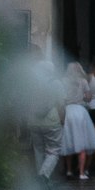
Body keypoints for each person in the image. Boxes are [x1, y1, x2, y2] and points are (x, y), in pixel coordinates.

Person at [26, 51, 65, 183]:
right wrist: (62, 119)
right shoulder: (56, 83)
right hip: (51, 121)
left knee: (38, 150)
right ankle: (43, 176)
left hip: (33, 120)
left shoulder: (32, 83)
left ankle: (40, 175)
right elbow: (61, 104)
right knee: (53, 150)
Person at [60, 61, 95, 180]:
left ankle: (68, 170)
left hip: (68, 111)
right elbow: (89, 98)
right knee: (81, 141)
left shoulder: (63, 81)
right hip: (80, 111)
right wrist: (82, 96)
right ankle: (82, 173)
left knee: (68, 141)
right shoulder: (83, 81)